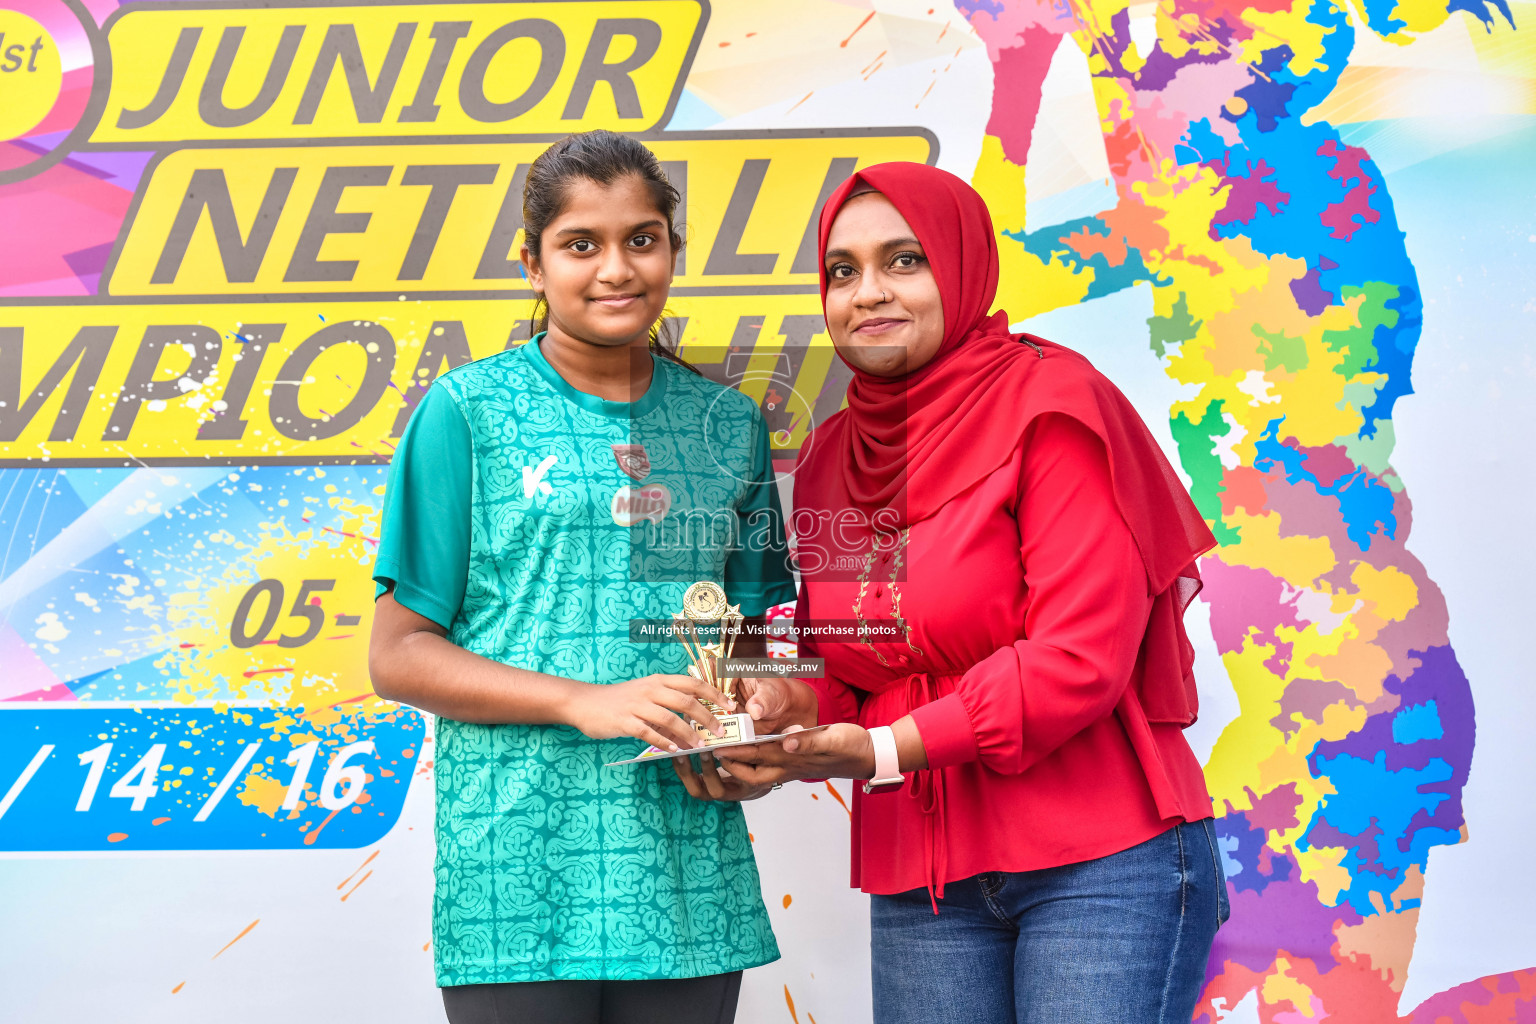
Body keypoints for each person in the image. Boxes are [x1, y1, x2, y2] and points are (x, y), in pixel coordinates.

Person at [711, 162, 1230, 1024]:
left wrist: (878, 753)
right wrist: (777, 707)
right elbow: (846, 661)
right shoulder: (834, 453)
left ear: (960, 267)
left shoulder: (1054, 408)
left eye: (903, 261)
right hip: (927, 880)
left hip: (1101, 866)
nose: (867, 292)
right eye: (843, 270)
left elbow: (1077, 662)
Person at [368, 130, 797, 1024]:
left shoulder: (729, 424)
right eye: (581, 244)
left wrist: (760, 722)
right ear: (533, 263)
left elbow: (765, 626)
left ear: (673, 251)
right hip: (517, 870)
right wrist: (581, 701)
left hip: (685, 867)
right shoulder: (465, 412)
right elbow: (400, 656)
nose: (617, 268)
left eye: (642, 239)